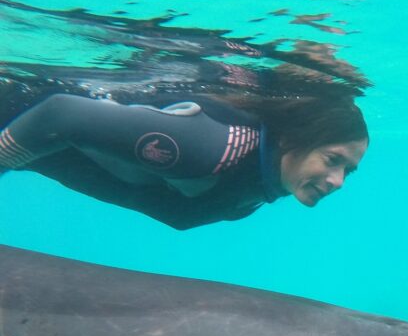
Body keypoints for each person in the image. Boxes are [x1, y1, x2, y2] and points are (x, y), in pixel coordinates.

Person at [0, 79, 368, 229]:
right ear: (294, 141)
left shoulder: (256, 185)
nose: (337, 182)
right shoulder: (210, 150)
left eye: (348, 172)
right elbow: (60, 114)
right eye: (333, 159)